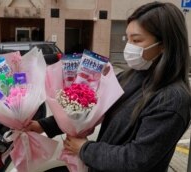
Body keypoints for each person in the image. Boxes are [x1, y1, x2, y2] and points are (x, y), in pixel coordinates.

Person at [27, 1, 191, 172]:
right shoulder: (131, 76)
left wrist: (85, 149)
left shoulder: (172, 100)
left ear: (164, 44)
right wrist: (43, 125)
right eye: (128, 39)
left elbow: (137, 159)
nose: (128, 46)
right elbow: (91, 109)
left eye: (136, 40)